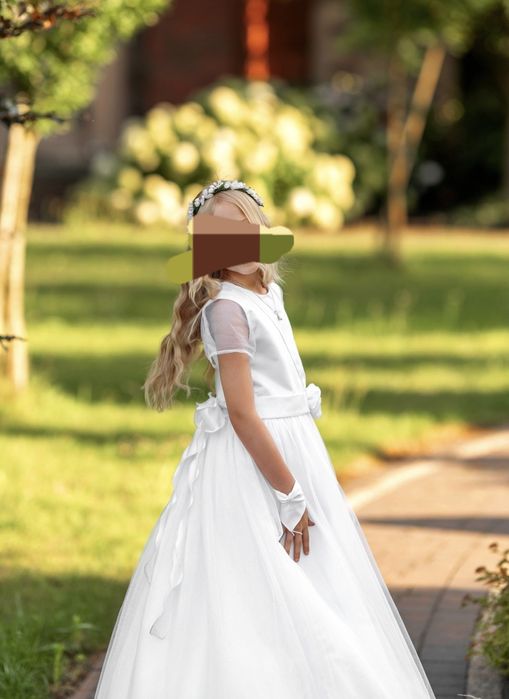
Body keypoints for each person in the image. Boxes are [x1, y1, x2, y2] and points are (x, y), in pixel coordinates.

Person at [94, 181, 437, 698]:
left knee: (318, 574)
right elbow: (241, 412)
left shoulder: (267, 294)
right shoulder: (226, 310)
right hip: (254, 463)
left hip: (294, 447)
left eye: (246, 227)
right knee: (260, 581)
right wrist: (288, 492)